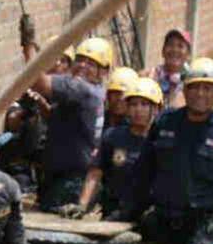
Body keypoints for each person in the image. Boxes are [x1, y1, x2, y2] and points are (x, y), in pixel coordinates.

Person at [110, 57, 213, 244]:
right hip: (164, 217)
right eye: (195, 88)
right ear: (185, 91)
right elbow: (143, 173)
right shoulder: (165, 123)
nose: (200, 94)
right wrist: (125, 212)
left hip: (205, 224)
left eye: (208, 89)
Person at [20, 16, 112, 213]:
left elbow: (40, 82)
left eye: (91, 64)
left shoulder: (81, 89)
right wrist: (43, 106)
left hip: (70, 182)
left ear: (103, 71)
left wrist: (27, 45)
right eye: (80, 60)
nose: (82, 66)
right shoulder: (95, 92)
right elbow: (63, 121)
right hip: (68, 178)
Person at [66, 77, 163, 219]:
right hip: (115, 211)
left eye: (144, 104)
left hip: (148, 215)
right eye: (133, 104)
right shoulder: (113, 136)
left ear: (156, 108)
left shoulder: (161, 140)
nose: (138, 110)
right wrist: (82, 205)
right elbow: (95, 173)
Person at [0, 92, 46, 195]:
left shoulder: (43, 115)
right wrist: (23, 113)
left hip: (26, 169)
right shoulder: (16, 108)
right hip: (9, 165)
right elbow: (12, 118)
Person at [144, 28, 191, 109]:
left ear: (188, 54)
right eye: (170, 45)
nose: (174, 50)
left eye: (180, 46)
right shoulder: (149, 76)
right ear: (162, 51)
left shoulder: (192, 81)